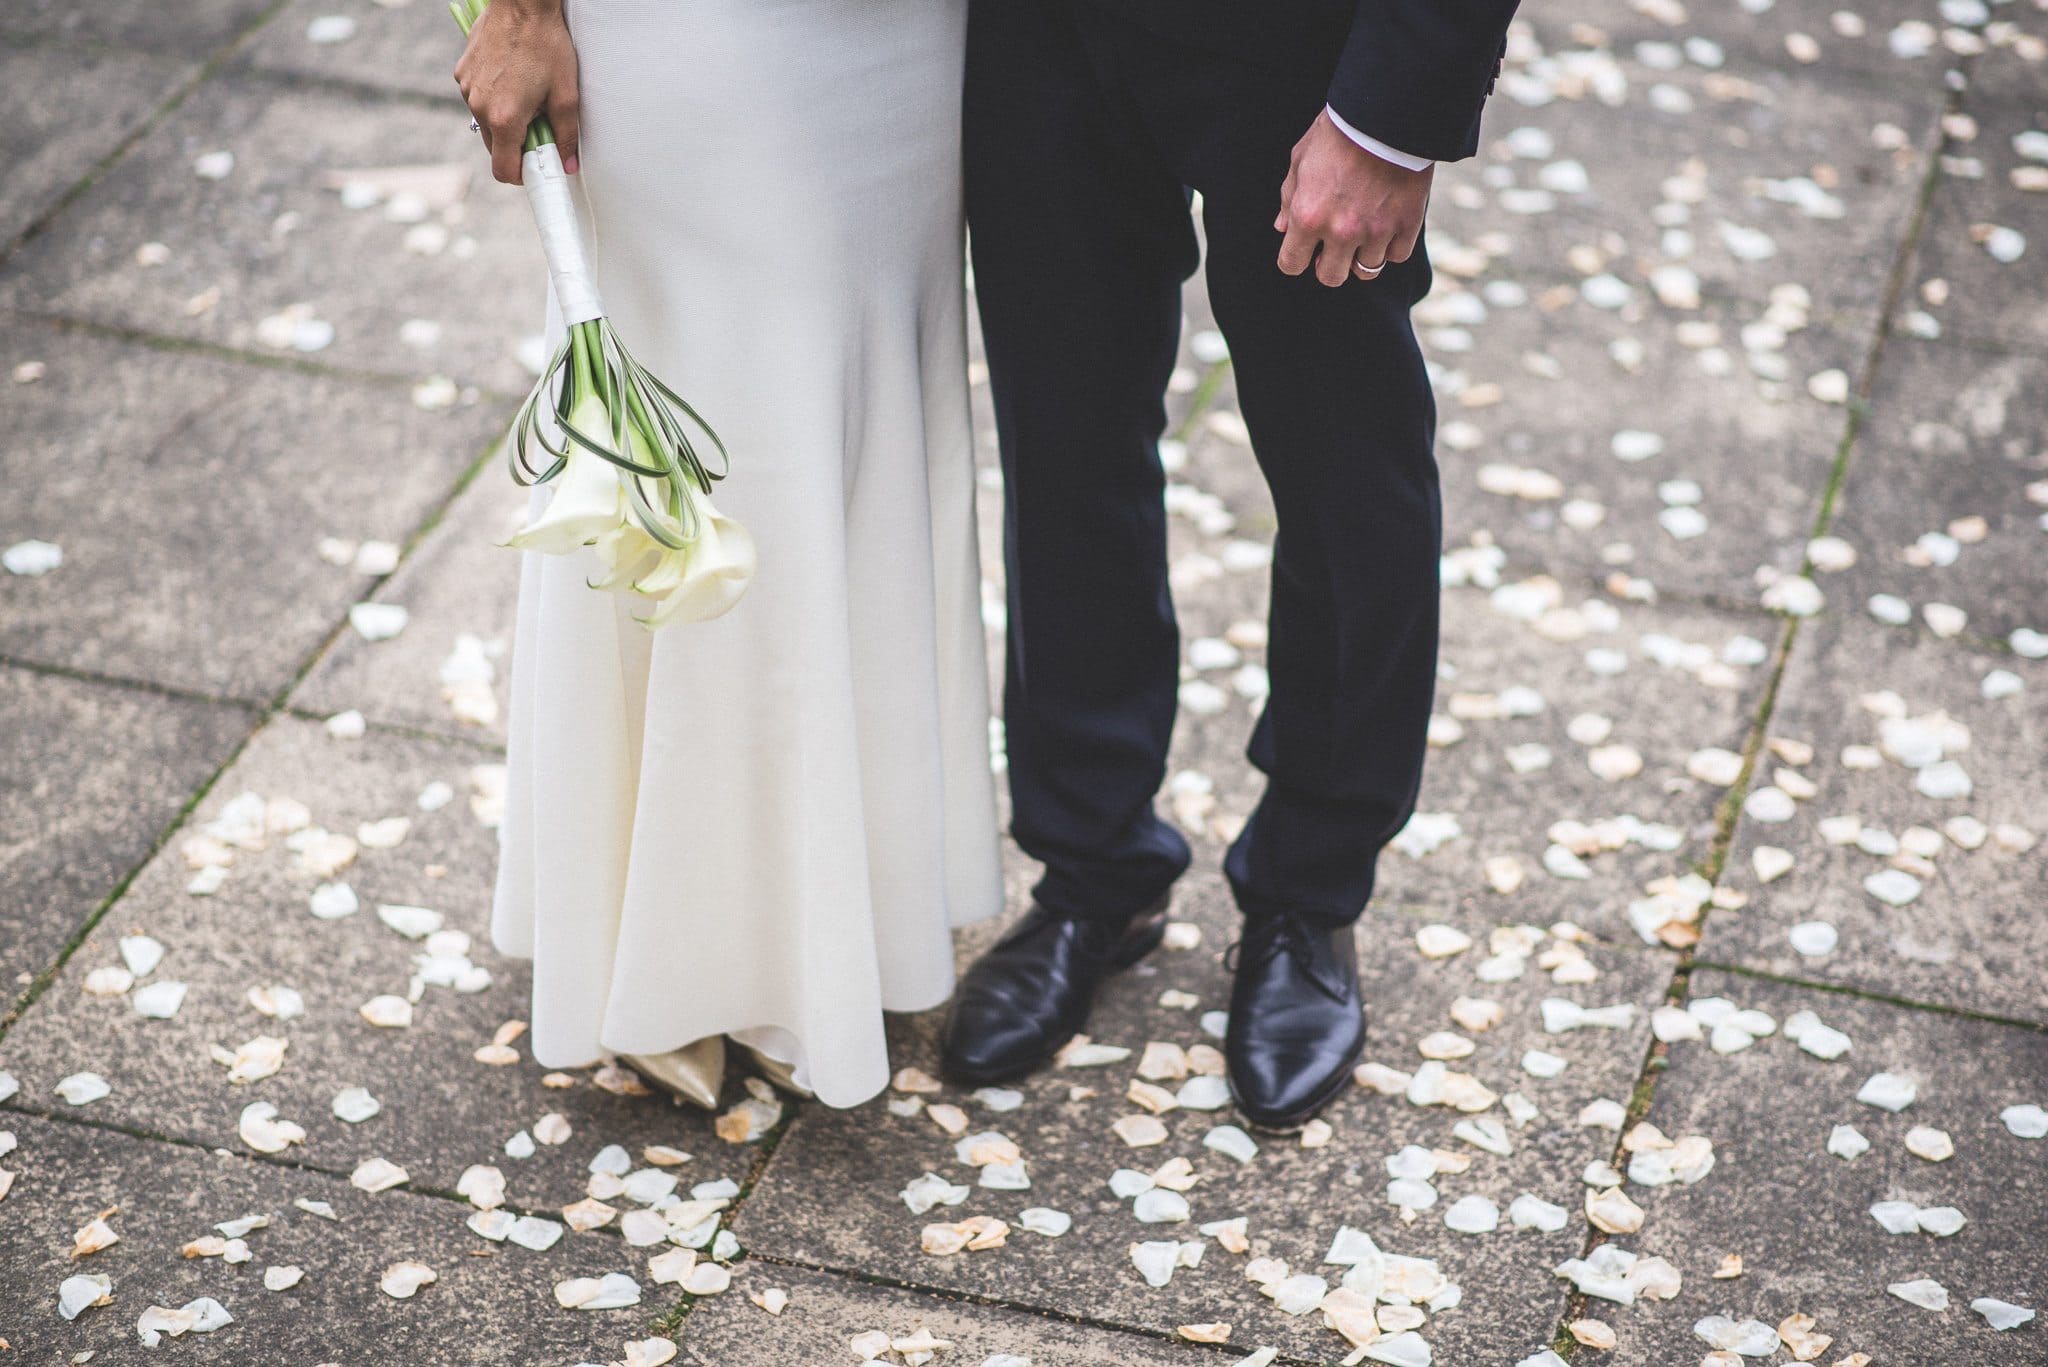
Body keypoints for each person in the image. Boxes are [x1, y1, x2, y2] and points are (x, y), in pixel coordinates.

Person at [939, 0, 1521, 1131]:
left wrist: (1390, 115)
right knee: (1062, 443)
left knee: (1343, 467)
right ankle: (1092, 867)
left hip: (1300, 39)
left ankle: (1311, 890)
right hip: (1031, 33)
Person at [455, 0, 1003, 1110]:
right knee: (727, 413)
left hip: (906, 41)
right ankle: (684, 944)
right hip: (699, 37)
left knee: (857, 399)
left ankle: (831, 915)